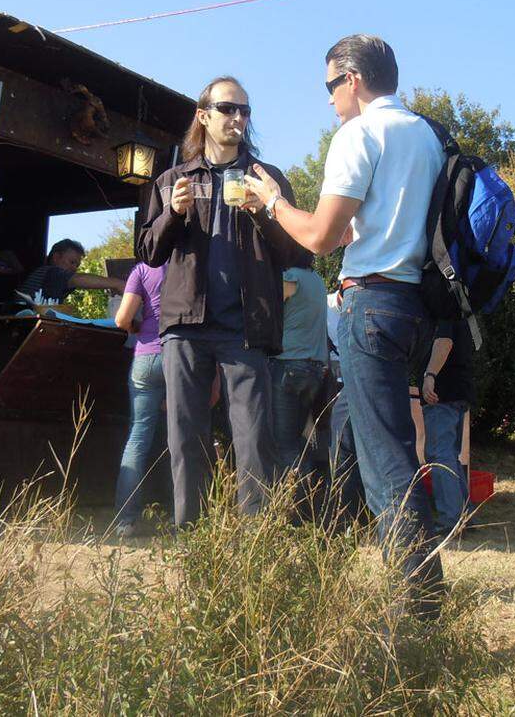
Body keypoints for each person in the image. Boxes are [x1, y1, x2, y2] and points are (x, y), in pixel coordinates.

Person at [245, 34, 447, 609]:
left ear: (352, 79)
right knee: (369, 446)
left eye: (331, 86)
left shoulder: (359, 132)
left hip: (370, 301)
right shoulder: (427, 134)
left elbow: (321, 237)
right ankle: (346, 565)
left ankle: (418, 600)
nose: (330, 99)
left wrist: (271, 202)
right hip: (414, 304)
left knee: (386, 458)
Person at [136, 76, 301, 527]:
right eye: (228, 108)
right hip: (186, 325)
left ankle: (253, 544)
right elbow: (148, 251)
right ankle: (190, 535)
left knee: (253, 439)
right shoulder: (174, 179)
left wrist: (265, 211)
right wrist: (174, 213)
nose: (238, 119)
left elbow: (294, 253)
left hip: (246, 327)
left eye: (245, 111)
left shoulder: (267, 180)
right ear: (203, 115)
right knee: (185, 436)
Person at [111, 261, 167, 537]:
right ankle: (180, 516)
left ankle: (126, 521)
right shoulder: (191, 263)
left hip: (146, 357)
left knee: (138, 438)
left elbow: (121, 319)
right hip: (182, 357)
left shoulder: (143, 271)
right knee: (182, 436)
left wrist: (138, 328)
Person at [270, 251, 329, 481]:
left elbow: (270, 311)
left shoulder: (290, 278)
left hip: (288, 365)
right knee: (298, 440)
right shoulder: (317, 281)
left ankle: (292, 508)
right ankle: (308, 498)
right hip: (314, 369)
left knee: (284, 444)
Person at [420, 320, 475, 538]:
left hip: (442, 393)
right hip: (457, 390)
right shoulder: (459, 309)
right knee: (448, 455)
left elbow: (444, 341)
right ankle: (463, 514)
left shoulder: (441, 308)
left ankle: (451, 518)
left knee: (439, 455)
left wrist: (429, 376)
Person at [17, 239, 125, 302]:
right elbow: (78, 279)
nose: (74, 268)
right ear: (56, 257)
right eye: (72, 262)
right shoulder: (51, 273)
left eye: (77, 265)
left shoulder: (47, 278)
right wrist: (118, 284)